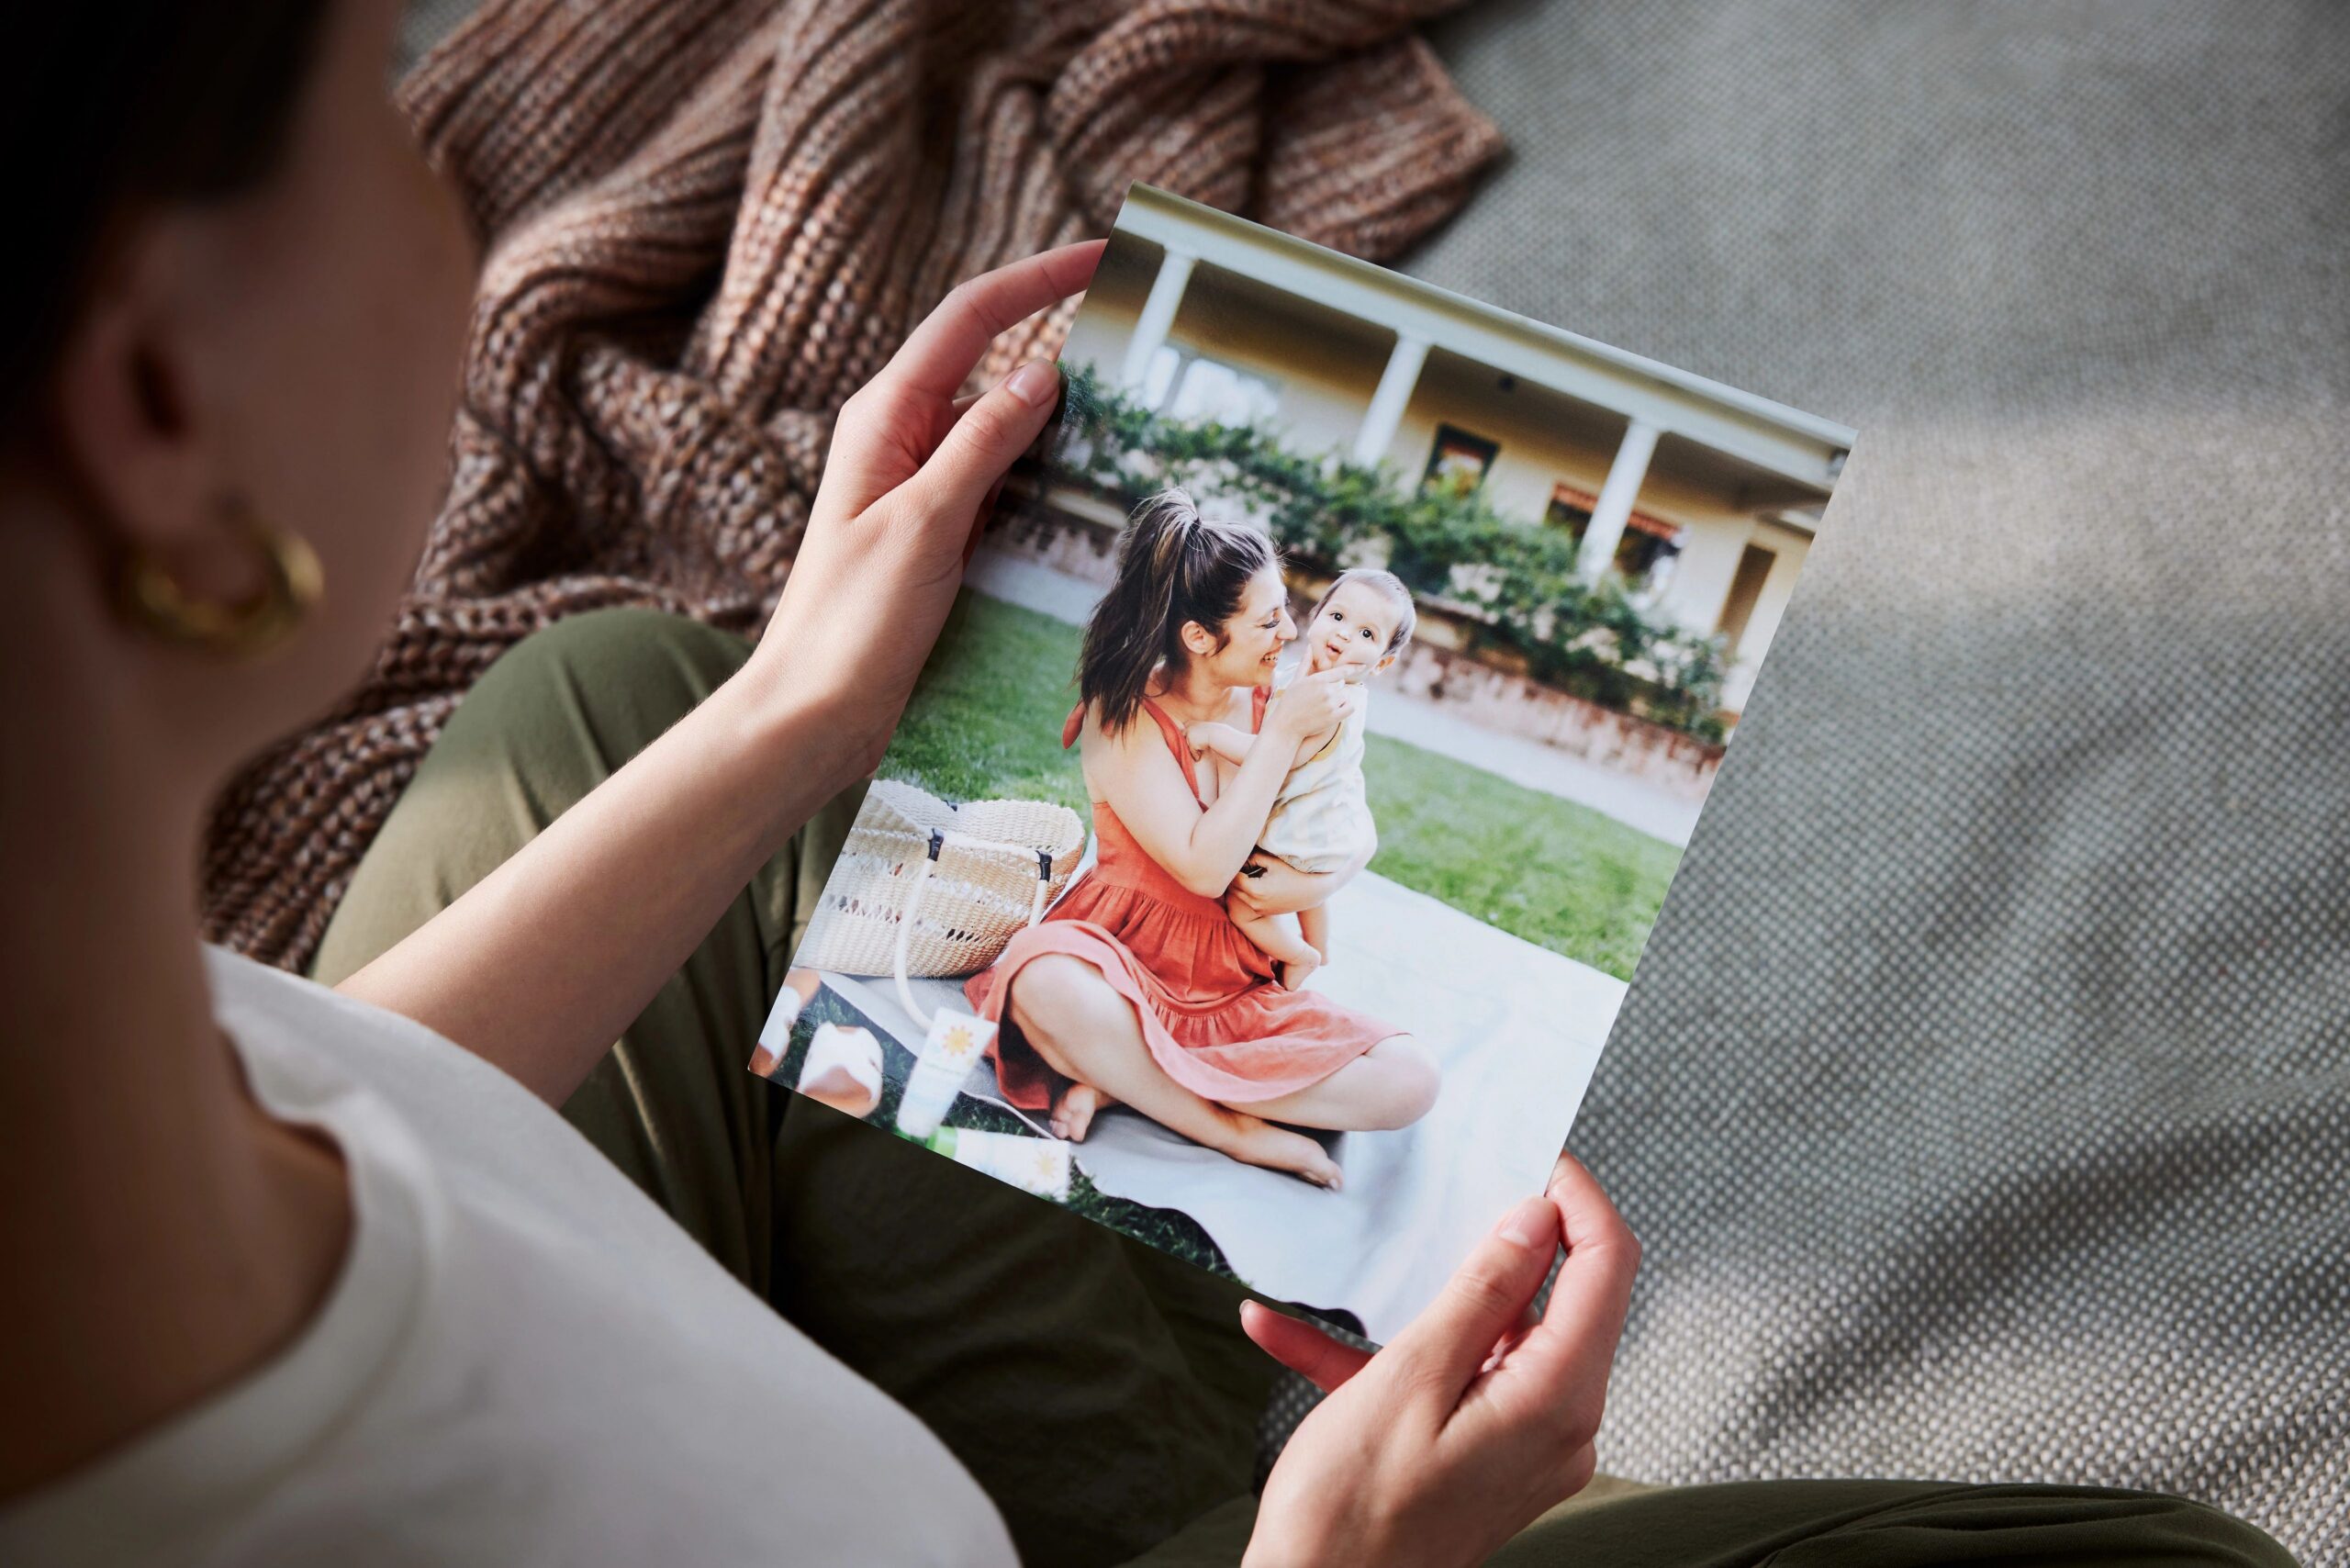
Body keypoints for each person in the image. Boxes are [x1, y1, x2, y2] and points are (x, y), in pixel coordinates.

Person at [0, 3, 2294, 1565]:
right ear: (158, 422)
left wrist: (801, 699)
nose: (455, 205)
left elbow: (336, 1087)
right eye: (369, 112)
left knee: (614, 694)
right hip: (1090, 1179)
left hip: (881, 1265)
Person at [964, 494, 1441, 1188]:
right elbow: (1201, 869)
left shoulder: (1272, 693)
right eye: (1268, 619)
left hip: (1230, 981)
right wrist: (1277, 741)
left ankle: (1121, 1076)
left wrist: (1322, 880)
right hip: (1120, 959)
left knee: (1411, 1079)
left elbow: (1335, 814)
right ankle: (1230, 1128)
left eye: (1286, 610)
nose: (1289, 631)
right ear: (1198, 637)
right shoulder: (1124, 713)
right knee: (1041, 976)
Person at [1187, 566, 1416, 992]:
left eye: (1368, 635)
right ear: (1318, 614)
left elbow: (1273, 759)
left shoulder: (1330, 703)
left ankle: (1301, 955)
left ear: (1382, 662)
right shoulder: (1309, 677)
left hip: (1302, 843)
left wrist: (1214, 734)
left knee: (1243, 908)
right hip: (1326, 828)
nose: (1346, 635)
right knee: (1317, 895)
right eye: (1339, 617)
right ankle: (1321, 945)